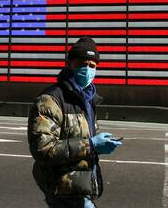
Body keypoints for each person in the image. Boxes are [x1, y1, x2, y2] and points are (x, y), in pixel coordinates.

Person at [27, 37, 122, 208]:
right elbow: (43, 149)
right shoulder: (50, 100)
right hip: (61, 189)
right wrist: (91, 145)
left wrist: (100, 144)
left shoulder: (89, 99)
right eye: (81, 64)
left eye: (92, 66)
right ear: (69, 64)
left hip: (80, 188)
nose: (87, 69)